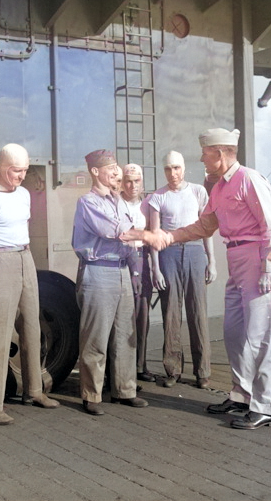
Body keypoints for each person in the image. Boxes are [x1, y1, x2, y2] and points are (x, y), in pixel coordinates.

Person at [124, 128, 271, 430]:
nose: (201, 158)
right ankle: (241, 396)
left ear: (220, 155)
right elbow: (203, 226)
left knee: (264, 335)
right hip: (237, 258)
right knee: (235, 332)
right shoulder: (220, 187)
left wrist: (268, 268)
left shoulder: (249, 179)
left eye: (205, 154)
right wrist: (166, 237)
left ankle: (267, 406)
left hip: (258, 258)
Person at [0, 143, 59, 425]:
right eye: (16, 171)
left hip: (25, 257)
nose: (21, 176)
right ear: (3, 168)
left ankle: (34, 390)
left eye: (24, 170)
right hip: (1, 260)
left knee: (32, 326)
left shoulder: (23, 194)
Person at [72, 149, 148, 416]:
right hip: (99, 271)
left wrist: (135, 273)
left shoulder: (119, 201)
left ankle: (125, 390)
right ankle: (91, 394)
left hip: (122, 271)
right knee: (96, 336)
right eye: (111, 168)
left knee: (126, 334)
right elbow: (116, 231)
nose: (117, 172)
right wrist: (152, 235)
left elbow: (129, 242)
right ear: (95, 172)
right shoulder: (88, 202)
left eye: (117, 166)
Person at [148, 150, 216, 390]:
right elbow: (155, 236)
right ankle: (173, 369)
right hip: (168, 254)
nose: (172, 173)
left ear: (184, 168)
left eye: (176, 168)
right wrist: (155, 269)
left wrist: (212, 261)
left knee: (198, 312)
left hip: (196, 252)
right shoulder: (158, 196)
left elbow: (206, 228)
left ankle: (203, 372)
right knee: (171, 314)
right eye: (168, 168)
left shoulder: (198, 191)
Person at [119, 163, 155, 383]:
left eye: (136, 181)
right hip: (122, 259)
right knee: (123, 315)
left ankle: (140, 365)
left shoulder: (147, 205)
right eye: (128, 181)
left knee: (142, 314)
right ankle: (123, 369)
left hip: (141, 259)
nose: (132, 185)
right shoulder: (115, 203)